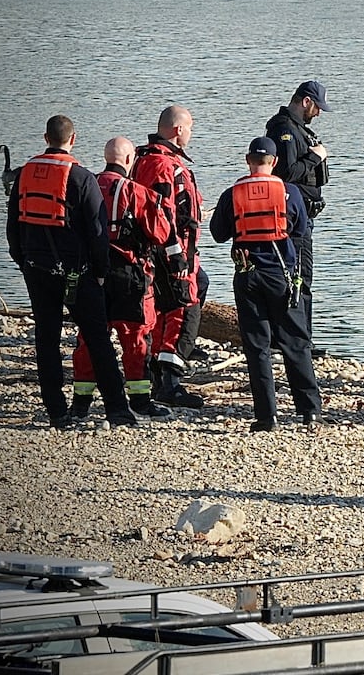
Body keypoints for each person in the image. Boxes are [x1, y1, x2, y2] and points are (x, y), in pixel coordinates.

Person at [5, 115, 138, 429]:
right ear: (73, 139)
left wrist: (22, 261)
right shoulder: (81, 177)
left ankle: (57, 413)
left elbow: (13, 226)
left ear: (45, 138)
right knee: (96, 339)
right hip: (78, 273)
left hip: (36, 269)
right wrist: (101, 270)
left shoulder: (24, 175)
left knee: (47, 339)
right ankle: (117, 410)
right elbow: (97, 231)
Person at [209, 137, 323, 432]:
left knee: (257, 345)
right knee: (295, 342)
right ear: (274, 162)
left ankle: (266, 416)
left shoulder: (232, 193)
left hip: (247, 274)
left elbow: (218, 234)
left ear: (248, 160)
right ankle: (309, 411)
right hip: (281, 275)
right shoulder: (289, 191)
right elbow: (299, 230)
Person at [69, 136, 174, 422]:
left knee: (89, 338)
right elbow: (161, 233)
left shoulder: (84, 185)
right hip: (129, 276)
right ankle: (140, 400)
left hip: (91, 274)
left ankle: (81, 403)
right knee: (135, 337)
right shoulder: (135, 192)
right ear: (129, 161)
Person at [131, 105, 205, 409]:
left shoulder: (145, 160)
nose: (190, 134)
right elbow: (164, 215)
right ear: (178, 130)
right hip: (173, 253)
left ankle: (158, 374)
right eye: (189, 128)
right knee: (184, 307)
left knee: (163, 309)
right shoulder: (163, 166)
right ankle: (169, 380)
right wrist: (175, 256)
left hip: (157, 252)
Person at [265, 79, 331, 341]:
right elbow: (287, 174)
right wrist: (315, 157)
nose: (318, 114)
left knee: (299, 275)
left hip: (303, 212)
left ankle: (294, 337)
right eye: (317, 108)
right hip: (295, 214)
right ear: (306, 102)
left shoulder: (297, 130)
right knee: (300, 276)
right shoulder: (285, 131)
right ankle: (299, 340)